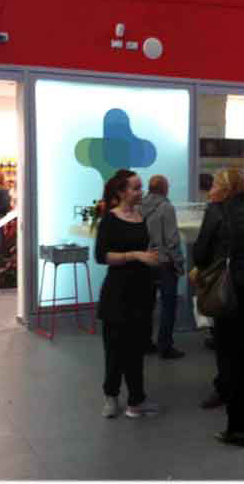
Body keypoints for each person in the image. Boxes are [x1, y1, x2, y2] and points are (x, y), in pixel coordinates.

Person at [194, 169, 244, 447]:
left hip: (230, 294)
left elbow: (201, 254)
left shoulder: (217, 213)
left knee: (230, 362)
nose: (211, 189)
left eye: (216, 184)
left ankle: (237, 428)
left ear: (226, 189)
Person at [95, 169, 161, 420]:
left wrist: (152, 256)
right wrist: (135, 255)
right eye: (134, 188)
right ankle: (111, 396)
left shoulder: (141, 217)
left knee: (136, 348)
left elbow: (145, 249)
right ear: (121, 192)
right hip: (117, 294)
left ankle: (136, 399)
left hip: (141, 292)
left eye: (140, 187)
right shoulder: (110, 220)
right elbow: (102, 256)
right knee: (114, 349)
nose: (139, 191)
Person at [138, 174, 186, 360]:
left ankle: (145, 342)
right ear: (165, 189)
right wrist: (179, 264)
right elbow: (172, 240)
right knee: (168, 305)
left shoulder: (138, 206)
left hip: (145, 261)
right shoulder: (167, 207)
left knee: (146, 304)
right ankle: (165, 345)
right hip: (164, 262)